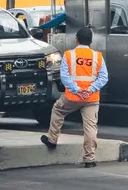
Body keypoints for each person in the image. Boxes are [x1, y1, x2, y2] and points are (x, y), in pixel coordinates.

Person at [40, 27, 108, 168]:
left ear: (76, 39)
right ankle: (89, 159)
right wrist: (89, 90)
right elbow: (103, 78)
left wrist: (77, 90)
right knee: (90, 127)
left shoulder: (69, 55)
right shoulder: (97, 56)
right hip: (91, 98)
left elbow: (64, 77)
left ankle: (52, 139)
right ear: (91, 41)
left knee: (58, 110)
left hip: (72, 97)